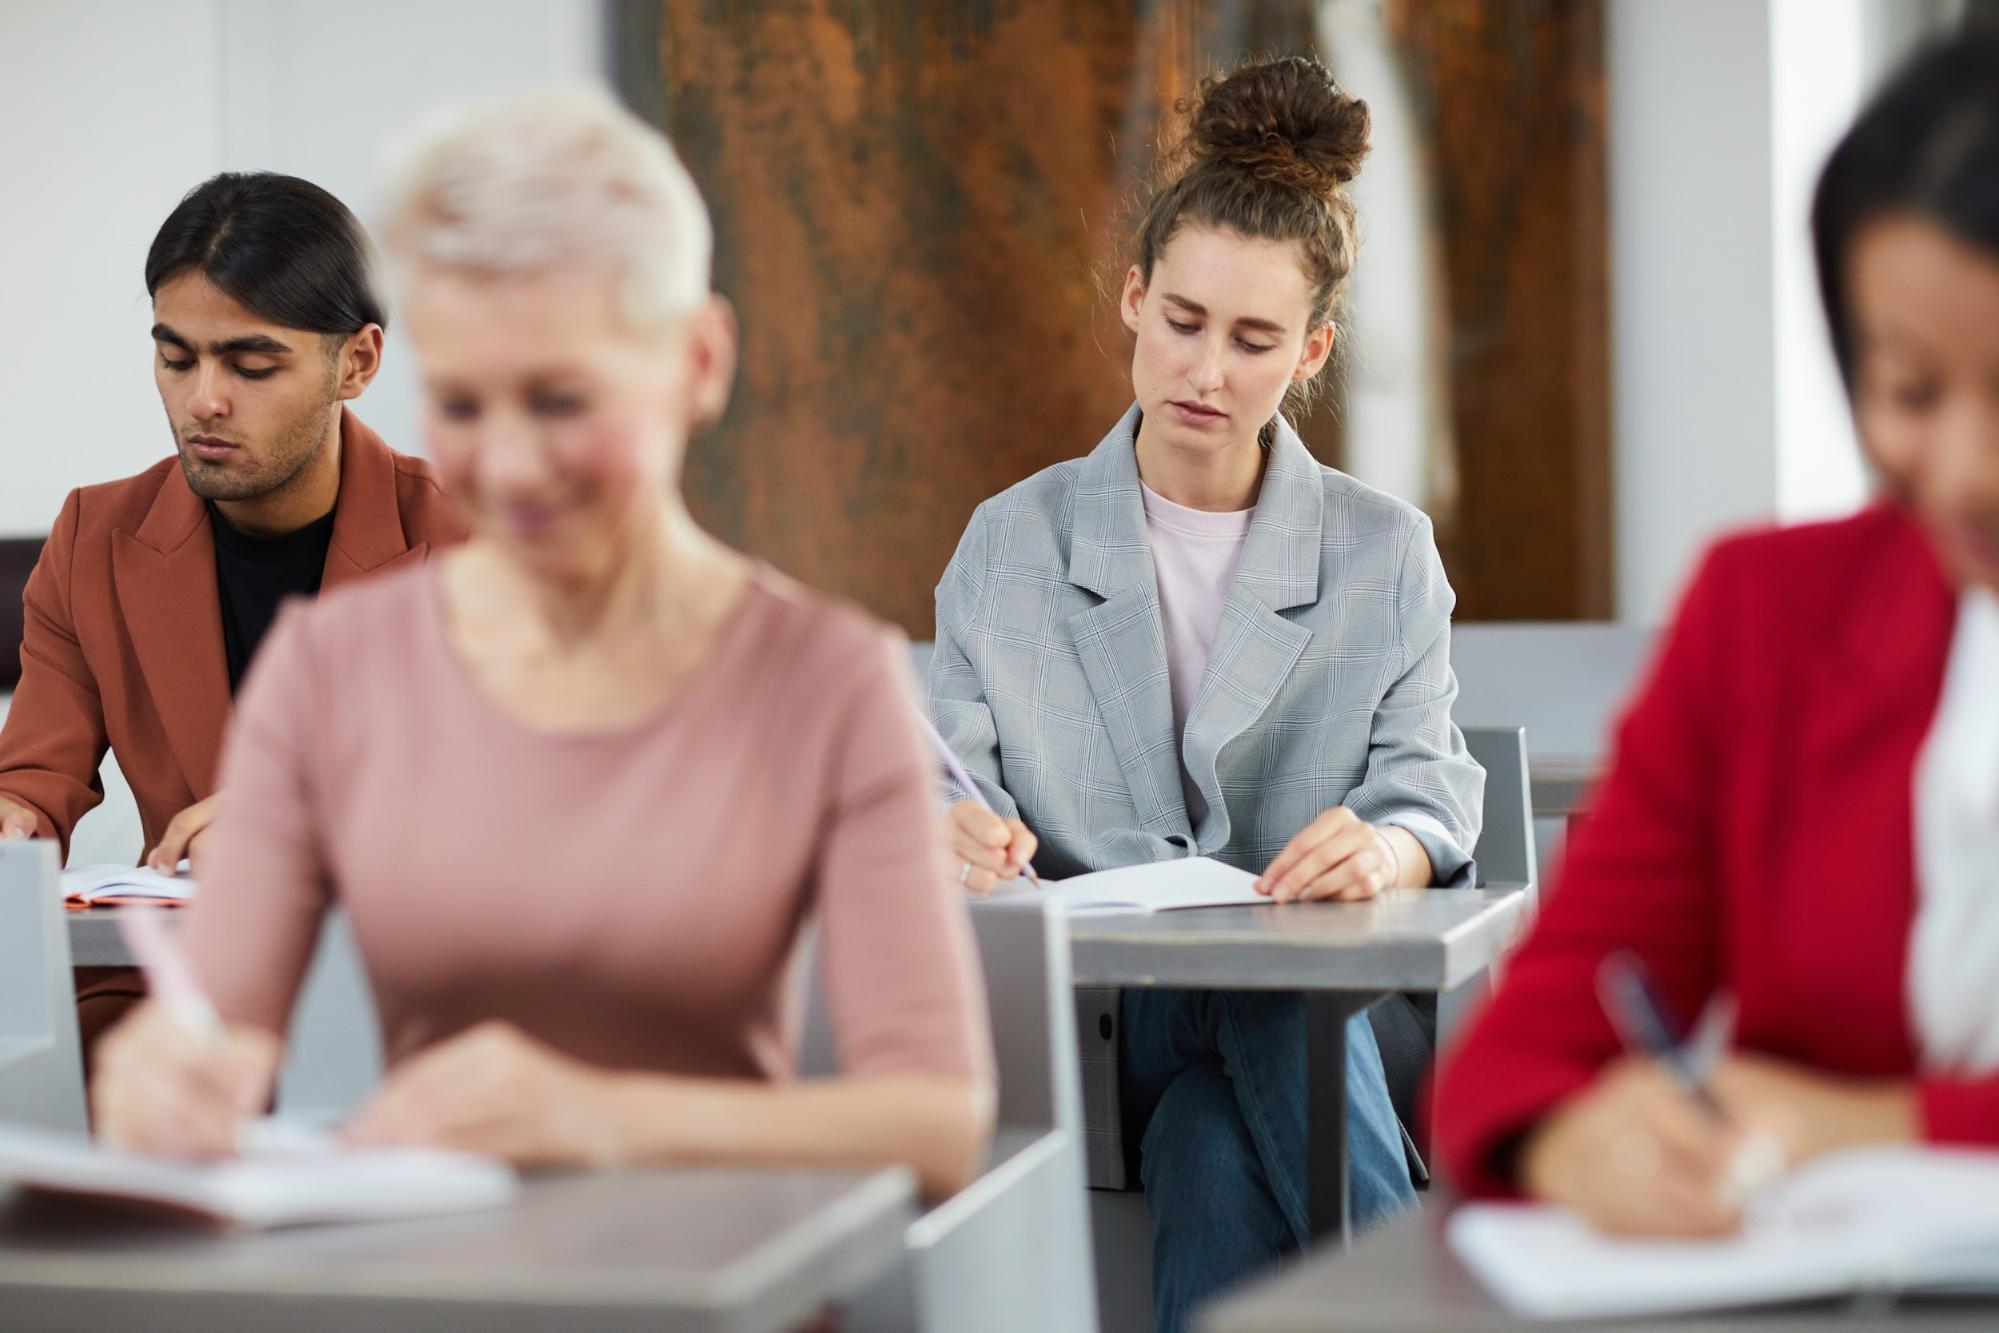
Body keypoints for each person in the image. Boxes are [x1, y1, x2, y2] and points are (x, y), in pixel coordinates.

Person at [90, 89, 995, 1198]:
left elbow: (938, 1122)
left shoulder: (821, 677)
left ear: (699, 361)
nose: (510, 467)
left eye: (561, 400)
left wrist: (597, 1117)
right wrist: (163, 1078)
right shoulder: (332, 671)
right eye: (464, 406)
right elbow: (211, 1026)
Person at [928, 56, 1483, 1327]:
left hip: (1337, 1023)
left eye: (1253, 341)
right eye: (1182, 320)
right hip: (1108, 1025)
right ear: (1132, 297)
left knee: (1211, 1133)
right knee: (1207, 1072)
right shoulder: (1008, 547)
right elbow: (938, 775)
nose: (1206, 371)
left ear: (1312, 351)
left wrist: (1388, 851)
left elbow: (1427, 780)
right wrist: (941, 827)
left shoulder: (1383, 550)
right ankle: (1442, 1305)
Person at [1435, 26, 1999, 1237]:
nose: (1962, 472)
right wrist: (1579, 1138)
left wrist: (1859, 1125)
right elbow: (1516, 1058)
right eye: (1908, 390)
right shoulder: (1767, 617)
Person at [0, 172, 463, 1057]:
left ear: (356, 363)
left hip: (398, 992)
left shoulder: (465, 541)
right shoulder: (94, 538)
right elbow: (31, 781)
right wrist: (13, 818)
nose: (203, 399)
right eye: (176, 358)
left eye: (252, 365)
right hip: (169, 998)